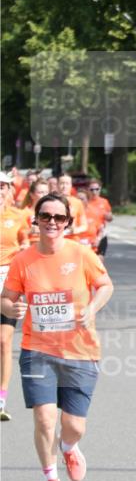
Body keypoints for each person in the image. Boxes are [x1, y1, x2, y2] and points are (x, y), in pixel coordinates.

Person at [1, 192, 113, 481]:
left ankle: (68, 447)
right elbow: (6, 298)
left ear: (67, 222)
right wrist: (10, 308)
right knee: (45, 418)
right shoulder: (23, 260)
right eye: (46, 216)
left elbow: (106, 285)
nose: (52, 222)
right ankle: (51, 480)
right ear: (36, 220)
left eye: (59, 217)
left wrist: (92, 308)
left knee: (73, 425)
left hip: (80, 350)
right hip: (38, 351)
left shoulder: (81, 254)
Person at [0, 171, 31, 421]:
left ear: (10, 190)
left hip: (8, 280)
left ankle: (1, 400)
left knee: (3, 341)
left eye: (2, 186)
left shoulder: (19, 217)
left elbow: (26, 244)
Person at [86, 180, 113, 256]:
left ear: (100, 189)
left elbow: (110, 218)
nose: (94, 192)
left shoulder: (104, 202)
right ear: (88, 190)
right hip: (89, 236)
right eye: (92, 190)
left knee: (99, 260)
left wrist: (109, 217)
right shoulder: (85, 202)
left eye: (96, 189)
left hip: (101, 234)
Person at [57, 174, 87, 239]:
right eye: (62, 183)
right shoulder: (52, 201)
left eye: (67, 183)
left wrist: (75, 230)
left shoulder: (77, 202)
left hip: (73, 239)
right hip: (56, 239)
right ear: (57, 185)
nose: (64, 186)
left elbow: (84, 226)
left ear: (71, 185)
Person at [21, 178, 50, 244]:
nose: (44, 195)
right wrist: (31, 230)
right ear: (32, 195)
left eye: (46, 192)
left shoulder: (52, 212)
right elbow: (19, 234)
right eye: (41, 192)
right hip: (32, 247)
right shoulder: (24, 213)